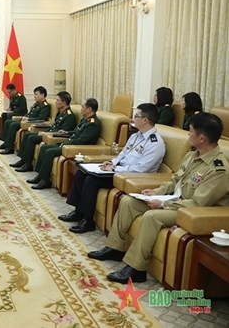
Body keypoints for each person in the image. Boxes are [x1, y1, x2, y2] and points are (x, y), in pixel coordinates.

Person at [87, 112, 228, 284]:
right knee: (128, 202)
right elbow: (175, 179)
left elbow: (197, 203)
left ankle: (136, 268)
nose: (188, 134)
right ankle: (115, 248)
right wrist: (157, 192)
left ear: (202, 138)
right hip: (175, 200)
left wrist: (163, 203)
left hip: (191, 211)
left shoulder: (218, 170)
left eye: (190, 131)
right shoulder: (193, 154)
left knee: (151, 217)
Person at [59, 103, 166, 234]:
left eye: (136, 116)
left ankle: (88, 220)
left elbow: (141, 169)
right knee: (82, 171)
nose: (132, 119)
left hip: (131, 177)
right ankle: (78, 212)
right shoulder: (135, 136)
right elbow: (122, 155)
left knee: (91, 180)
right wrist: (111, 163)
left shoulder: (155, 143)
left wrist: (115, 170)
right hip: (118, 170)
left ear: (145, 120)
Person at [27, 98, 101, 190]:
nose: (81, 109)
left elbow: (82, 140)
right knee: (44, 147)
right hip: (69, 143)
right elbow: (76, 132)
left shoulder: (93, 124)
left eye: (82, 107)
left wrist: (66, 143)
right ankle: (40, 176)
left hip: (76, 148)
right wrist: (66, 132)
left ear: (89, 109)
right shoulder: (86, 120)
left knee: (50, 152)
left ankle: (45, 181)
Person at [10, 91, 77, 171]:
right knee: (28, 135)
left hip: (54, 137)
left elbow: (62, 132)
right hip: (50, 133)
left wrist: (46, 133)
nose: (55, 102)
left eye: (57, 100)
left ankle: (28, 164)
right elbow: (54, 126)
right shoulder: (61, 113)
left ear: (64, 103)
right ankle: (23, 160)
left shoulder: (69, 116)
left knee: (31, 138)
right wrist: (45, 131)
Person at [0, 85, 51, 154]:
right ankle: (6, 143)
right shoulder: (36, 104)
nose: (34, 96)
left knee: (13, 125)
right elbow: (29, 113)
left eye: (36, 94)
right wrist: (25, 117)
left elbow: (41, 118)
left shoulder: (45, 106)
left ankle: (10, 148)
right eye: (34, 94)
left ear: (42, 95)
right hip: (26, 120)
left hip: (30, 122)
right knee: (8, 122)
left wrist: (28, 119)